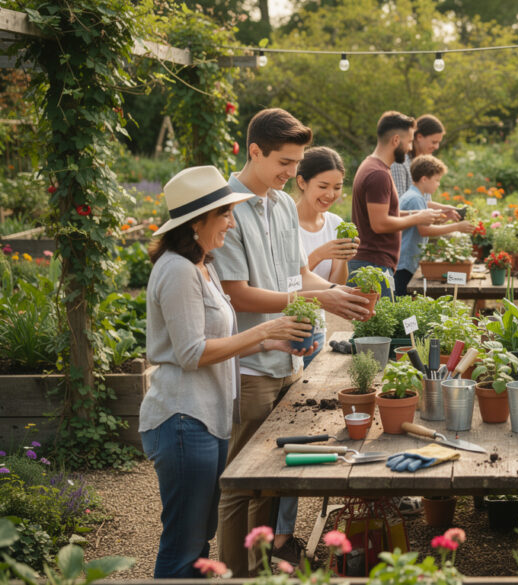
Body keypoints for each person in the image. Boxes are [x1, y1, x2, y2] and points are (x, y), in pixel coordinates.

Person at [212, 108, 370, 576]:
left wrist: (338, 293)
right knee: (242, 481)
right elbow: (237, 292)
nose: (291, 172)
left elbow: (298, 274)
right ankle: (235, 573)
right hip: (251, 362)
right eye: (284, 162)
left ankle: (261, 570)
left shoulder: (281, 203)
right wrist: (316, 296)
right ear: (254, 151)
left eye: (297, 163)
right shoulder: (227, 207)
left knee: (273, 476)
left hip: (290, 358)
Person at [140, 166, 314, 578]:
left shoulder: (203, 265)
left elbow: (219, 339)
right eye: (224, 214)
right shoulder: (178, 271)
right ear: (196, 222)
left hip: (205, 417)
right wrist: (265, 329)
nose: (232, 223)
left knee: (200, 537)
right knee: (184, 545)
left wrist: (271, 343)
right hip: (181, 418)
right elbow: (191, 353)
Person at [350, 111, 443, 298]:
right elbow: (380, 224)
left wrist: (418, 214)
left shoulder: (375, 167)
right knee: (379, 317)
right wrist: (417, 218)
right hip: (372, 265)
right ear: (395, 140)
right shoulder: (378, 174)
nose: (410, 148)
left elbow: (386, 214)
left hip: (376, 263)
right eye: (409, 142)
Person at [295, 146, 359, 366]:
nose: (330, 194)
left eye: (337, 187)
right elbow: (287, 281)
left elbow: (335, 284)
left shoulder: (335, 224)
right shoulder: (286, 223)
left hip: (317, 329)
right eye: (323, 186)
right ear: (302, 182)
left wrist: (342, 257)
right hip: (288, 331)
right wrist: (320, 254)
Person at [395, 155, 474, 295]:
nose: (438, 184)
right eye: (436, 180)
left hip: (406, 260)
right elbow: (425, 230)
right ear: (424, 179)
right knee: (401, 298)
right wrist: (457, 227)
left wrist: (445, 218)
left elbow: (423, 223)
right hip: (405, 262)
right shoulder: (415, 199)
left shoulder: (415, 196)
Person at [389, 114, 461, 221]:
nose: (436, 147)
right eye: (434, 142)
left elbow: (424, 203)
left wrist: (445, 210)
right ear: (419, 137)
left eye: (438, 143)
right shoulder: (400, 163)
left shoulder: (424, 163)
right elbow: (400, 205)